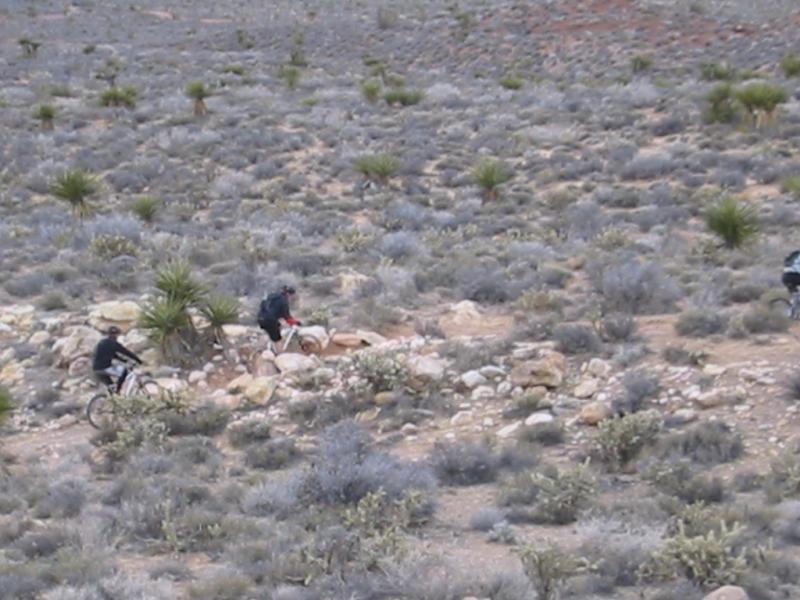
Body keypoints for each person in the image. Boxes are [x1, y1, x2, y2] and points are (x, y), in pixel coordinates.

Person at [92, 326, 143, 393]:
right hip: (105, 367)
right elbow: (127, 352)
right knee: (124, 371)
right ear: (116, 335)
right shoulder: (114, 344)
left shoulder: (102, 342)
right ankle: (118, 390)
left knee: (111, 386)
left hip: (95, 368)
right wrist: (139, 360)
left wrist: (124, 360)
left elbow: (112, 355)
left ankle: (113, 398)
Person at [258, 285, 301, 353]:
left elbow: (266, 306)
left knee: (277, 328)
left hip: (261, 318)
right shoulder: (283, 301)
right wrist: (296, 322)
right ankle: (280, 356)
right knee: (278, 340)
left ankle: (270, 347)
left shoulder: (272, 296)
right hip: (270, 320)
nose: (291, 298)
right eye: (292, 296)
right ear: (288, 294)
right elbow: (287, 317)